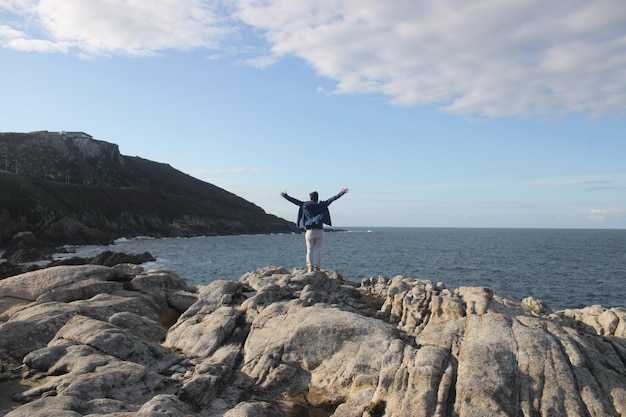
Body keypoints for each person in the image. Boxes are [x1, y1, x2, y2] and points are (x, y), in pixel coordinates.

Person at [280, 188, 348, 272]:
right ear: (317, 197)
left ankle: (309, 267)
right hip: (319, 231)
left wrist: (285, 196)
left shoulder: (305, 205)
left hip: (309, 232)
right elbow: (332, 199)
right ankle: (318, 267)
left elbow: (295, 201)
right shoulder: (322, 204)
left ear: (310, 197)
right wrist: (341, 193)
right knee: (318, 250)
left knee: (309, 249)